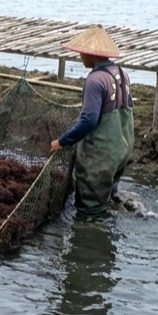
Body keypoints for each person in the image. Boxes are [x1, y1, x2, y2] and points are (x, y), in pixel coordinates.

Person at [50, 26, 134, 218]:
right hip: (122, 148)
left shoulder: (95, 80)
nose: (80, 57)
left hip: (101, 154)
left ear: (92, 55)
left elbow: (88, 121)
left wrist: (62, 141)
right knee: (109, 193)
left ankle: (91, 237)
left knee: (90, 210)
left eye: (82, 53)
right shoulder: (122, 73)